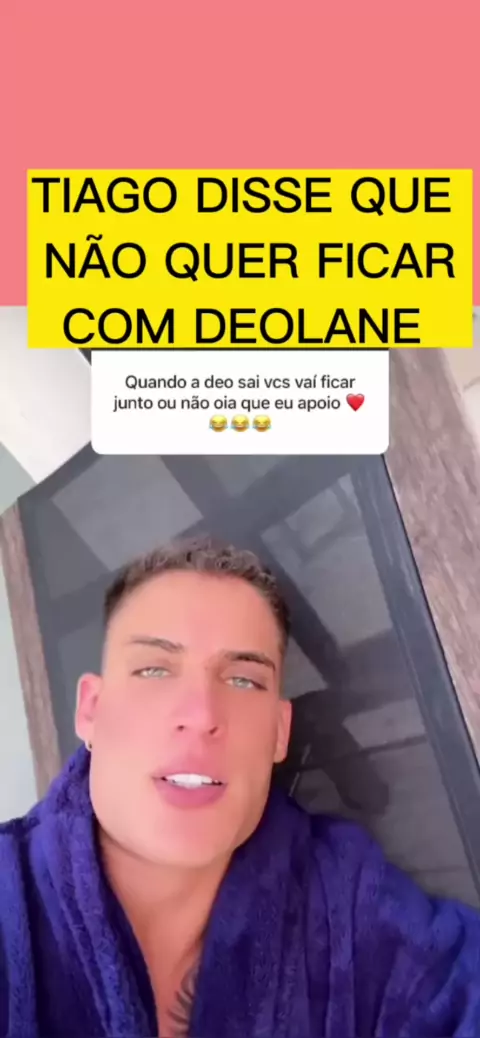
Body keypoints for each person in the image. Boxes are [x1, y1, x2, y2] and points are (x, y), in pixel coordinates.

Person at [1, 536, 479, 1038]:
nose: (201, 714)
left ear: (279, 732)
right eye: (154, 669)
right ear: (91, 710)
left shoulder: (347, 902)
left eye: (243, 680)